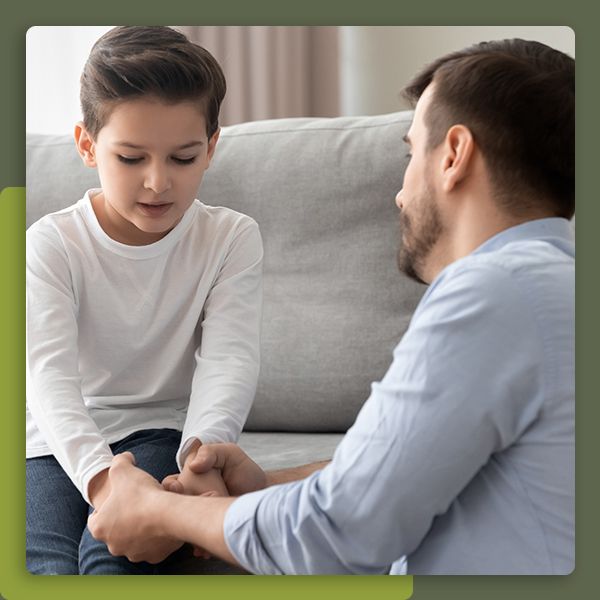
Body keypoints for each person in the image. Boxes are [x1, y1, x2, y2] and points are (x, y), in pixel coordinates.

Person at [87, 38, 575, 575]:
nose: (399, 194)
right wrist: (267, 483)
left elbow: (336, 531)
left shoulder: (494, 293)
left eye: (412, 154)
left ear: (454, 155)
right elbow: (411, 465)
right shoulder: (549, 287)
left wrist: (161, 510)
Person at [26, 26, 263, 575]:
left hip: (157, 432)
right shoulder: (49, 244)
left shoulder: (231, 238)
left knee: (114, 564)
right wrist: (105, 478)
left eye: (182, 159)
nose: (158, 183)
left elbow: (229, 361)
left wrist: (201, 457)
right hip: (45, 441)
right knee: (43, 567)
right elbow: (47, 377)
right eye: (131, 158)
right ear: (88, 146)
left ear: (211, 147)